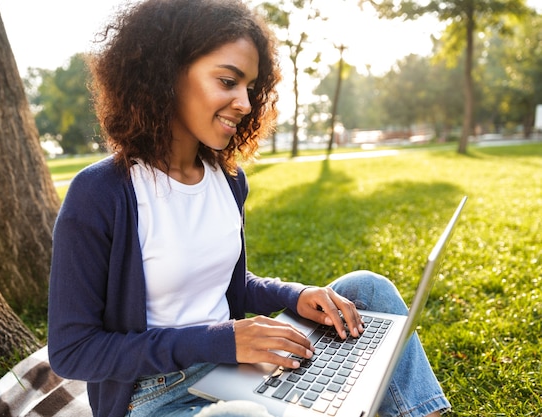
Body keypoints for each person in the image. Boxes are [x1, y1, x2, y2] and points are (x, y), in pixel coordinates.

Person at [47, 1, 451, 416]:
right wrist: (223, 340)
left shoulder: (228, 180)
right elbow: (72, 351)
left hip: (240, 367)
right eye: (227, 81)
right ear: (164, 74)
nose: (243, 102)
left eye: (249, 88)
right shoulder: (101, 193)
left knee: (367, 290)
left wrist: (295, 296)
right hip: (154, 395)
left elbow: (227, 283)